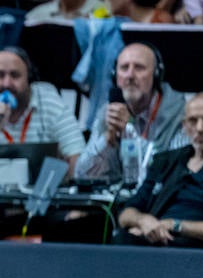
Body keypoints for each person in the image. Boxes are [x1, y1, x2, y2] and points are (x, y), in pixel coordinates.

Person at [116, 92, 203, 246]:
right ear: (184, 125)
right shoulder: (166, 162)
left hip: (201, 251)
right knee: (122, 238)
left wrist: (175, 225)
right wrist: (143, 221)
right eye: (193, 121)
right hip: (155, 242)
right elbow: (126, 213)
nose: (200, 128)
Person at [0, 47, 85, 179]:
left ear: (29, 78)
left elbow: (79, 163)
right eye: (0, 75)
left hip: (43, 195)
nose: (7, 83)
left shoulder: (52, 106)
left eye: (15, 75)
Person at [76, 42, 191, 184]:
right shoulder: (109, 111)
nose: (130, 75)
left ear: (156, 75)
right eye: (124, 68)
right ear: (115, 76)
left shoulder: (181, 113)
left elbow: (172, 172)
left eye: (139, 68)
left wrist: (130, 131)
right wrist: (106, 142)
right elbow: (81, 174)